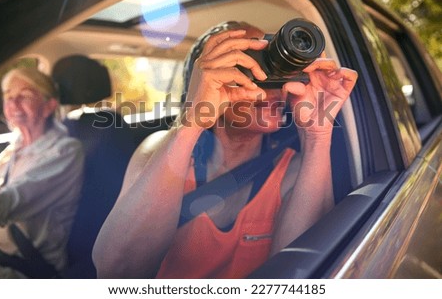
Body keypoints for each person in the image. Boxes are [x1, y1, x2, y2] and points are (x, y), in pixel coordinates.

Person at [93, 21, 358, 279]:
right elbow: (118, 271)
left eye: (275, 66)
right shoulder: (159, 151)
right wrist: (191, 120)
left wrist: (316, 136)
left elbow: (301, 278)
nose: (271, 82)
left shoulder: (294, 169)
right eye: (246, 66)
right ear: (202, 85)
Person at [0, 67, 84, 278]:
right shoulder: (16, 146)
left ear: (49, 106)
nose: (13, 104)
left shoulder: (65, 150)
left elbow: (5, 205)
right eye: (9, 97)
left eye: (24, 96)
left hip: (21, 268)